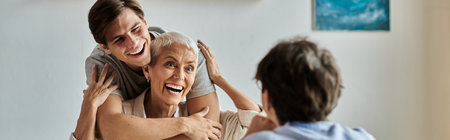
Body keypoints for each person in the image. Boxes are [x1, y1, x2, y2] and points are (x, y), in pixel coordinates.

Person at [73, 0, 221, 139]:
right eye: (119, 39)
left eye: (136, 29)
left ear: (145, 23)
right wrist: (186, 125)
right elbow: (110, 130)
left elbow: (208, 133)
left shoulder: (188, 52)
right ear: (105, 47)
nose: (134, 43)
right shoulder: (102, 64)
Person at [71, 32, 261, 140]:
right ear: (147, 71)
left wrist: (218, 78)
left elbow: (253, 119)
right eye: (170, 64)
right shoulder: (123, 117)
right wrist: (90, 106)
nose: (179, 76)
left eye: (189, 69)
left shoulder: (203, 121)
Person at [242, 37, 375, 140]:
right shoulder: (361, 137)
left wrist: (249, 135)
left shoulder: (262, 138)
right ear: (334, 94)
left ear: (268, 99)